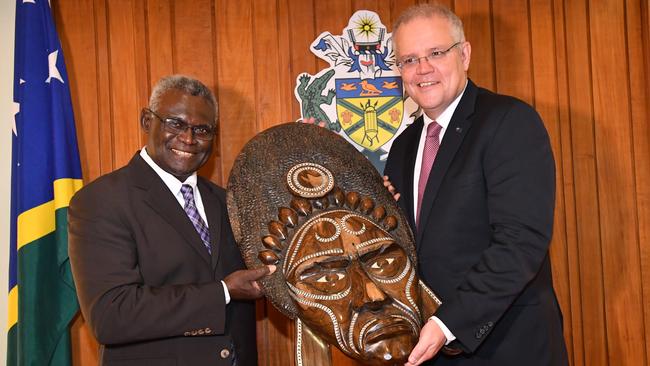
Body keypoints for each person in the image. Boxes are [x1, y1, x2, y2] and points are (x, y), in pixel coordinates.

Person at [383, 4, 568, 365]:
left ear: (464, 54)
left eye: (436, 53)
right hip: (429, 349)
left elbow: (520, 243)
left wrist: (446, 323)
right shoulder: (402, 147)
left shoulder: (510, 122)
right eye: (408, 59)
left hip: (508, 347)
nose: (423, 69)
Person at [68, 75, 273, 366]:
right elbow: (111, 315)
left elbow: (265, 272)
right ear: (146, 121)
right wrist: (223, 293)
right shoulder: (101, 201)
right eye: (175, 124)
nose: (188, 139)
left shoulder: (228, 202)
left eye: (202, 129)